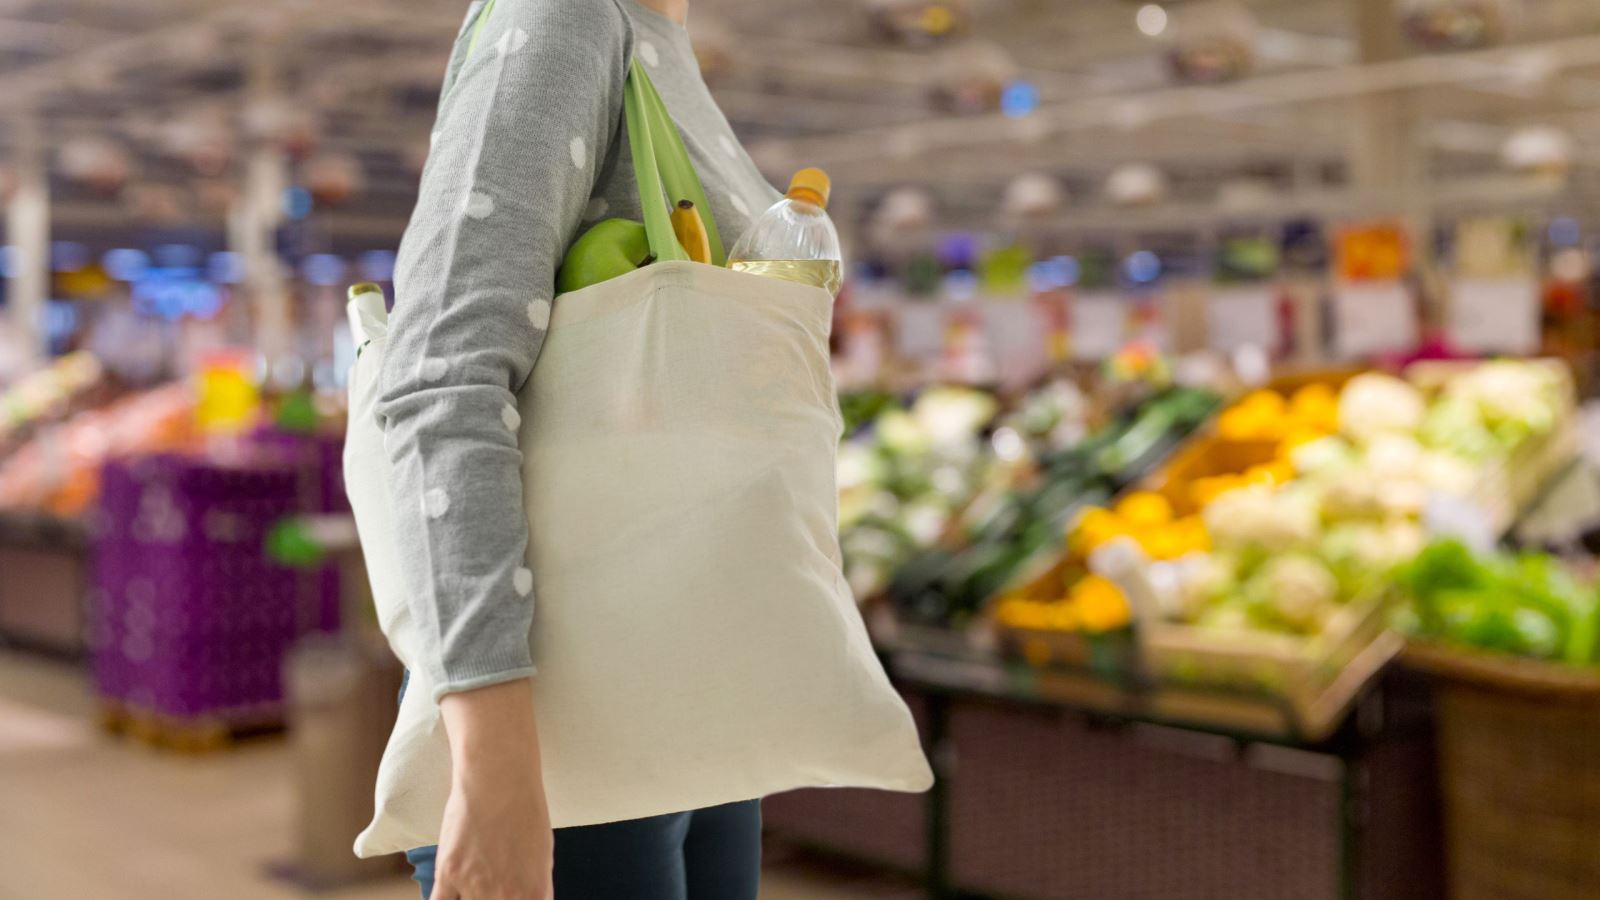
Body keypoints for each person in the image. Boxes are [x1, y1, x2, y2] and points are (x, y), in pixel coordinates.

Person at [379, 0, 780, 897]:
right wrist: (496, 777)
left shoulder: (653, 36)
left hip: (691, 687)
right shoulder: (566, 15)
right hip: (571, 730)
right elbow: (444, 375)